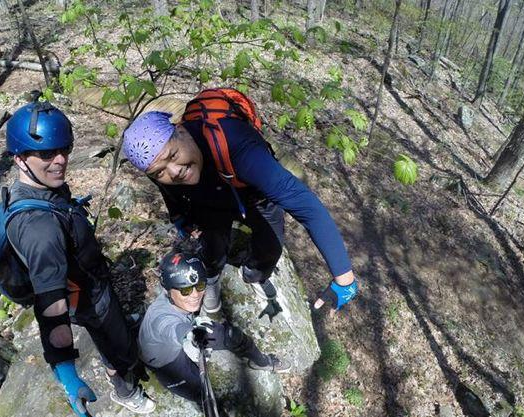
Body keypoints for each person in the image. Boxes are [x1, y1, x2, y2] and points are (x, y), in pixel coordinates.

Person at [121, 102, 358, 315]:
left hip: (256, 199)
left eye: (173, 155)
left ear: (181, 131)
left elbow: (306, 205)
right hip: (210, 200)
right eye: (159, 172)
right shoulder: (155, 165)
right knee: (212, 248)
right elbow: (169, 191)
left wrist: (344, 278)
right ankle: (212, 278)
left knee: (269, 250)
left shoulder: (236, 145)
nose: (174, 172)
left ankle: (254, 274)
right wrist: (181, 219)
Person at [4, 101, 153, 417]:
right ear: (19, 158)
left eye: (64, 149)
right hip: (88, 299)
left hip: (91, 281)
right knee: (119, 348)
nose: (60, 161)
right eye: (46, 155)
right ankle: (125, 389)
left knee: (115, 327)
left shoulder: (40, 188)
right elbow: (51, 304)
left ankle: (120, 345)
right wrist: (68, 373)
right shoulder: (39, 230)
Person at [139, 251, 289, 417]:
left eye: (199, 286)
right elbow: (174, 329)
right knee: (204, 397)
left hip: (180, 340)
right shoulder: (162, 319)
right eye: (185, 291)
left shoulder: (176, 301)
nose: (194, 295)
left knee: (231, 336)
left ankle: (261, 361)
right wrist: (192, 336)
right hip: (168, 363)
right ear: (168, 290)